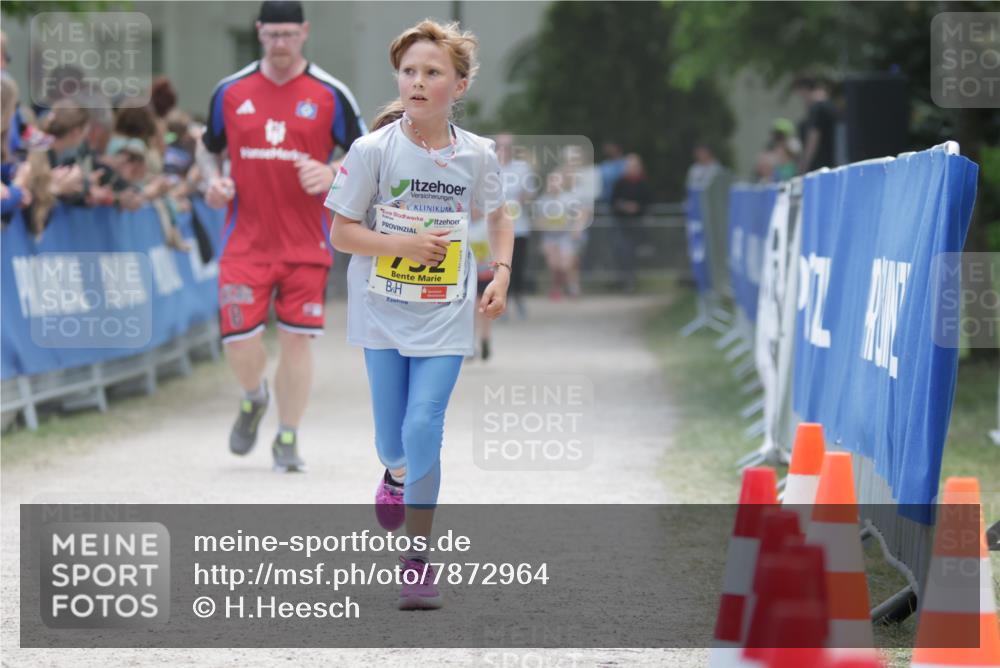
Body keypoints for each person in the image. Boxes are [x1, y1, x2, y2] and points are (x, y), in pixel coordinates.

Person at [325, 19, 512, 610]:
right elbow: (341, 233)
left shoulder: (476, 154)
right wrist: (401, 246)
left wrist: (501, 272)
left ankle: (417, 563)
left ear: (458, 86)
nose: (418, 81)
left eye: (433, 73)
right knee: (394, 443)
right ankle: (396, 475)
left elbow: (499, 216)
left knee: (424, 425)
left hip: (444, 315)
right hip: (381, 312)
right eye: (409, 71)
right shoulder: (373, 150)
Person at [197, 0, 366, 471]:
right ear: (258, 33)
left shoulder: (330, 93)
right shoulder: (230, 91)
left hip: (305, 242)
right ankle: (254, 397)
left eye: (289, 35)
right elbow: (206, 148)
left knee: (296, 341)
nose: (281, 44)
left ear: (305, 33)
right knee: (238, 340)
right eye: (272, 35)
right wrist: (211, 181)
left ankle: (287, 437)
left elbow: (368, 153)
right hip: (244, 241)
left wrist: (332, 169)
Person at [494, 132, 535, 318]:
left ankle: (518, 296)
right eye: (501, 146)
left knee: (517, 264)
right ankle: (502, 300)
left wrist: (522, 198)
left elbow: (530, 193)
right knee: (499, 264)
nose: (504, 150)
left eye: (507, 146)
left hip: (519, 225)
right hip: (496, 226)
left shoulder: (522, 168)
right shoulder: (490, 168)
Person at [611, 153, 650, 293]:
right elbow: (613, 202)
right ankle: (625, 280)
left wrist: (637, 208)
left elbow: (648, 203)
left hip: (638, 224)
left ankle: (633, 278)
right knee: (623, 251)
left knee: (635, 252)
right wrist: (624, 207)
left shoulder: (643, 183)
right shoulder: (620, 183)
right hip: (622, 224)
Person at [793, 75, 837, 173]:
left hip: (818, 167)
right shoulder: (828, 105)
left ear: (804, 89)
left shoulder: (817, 108)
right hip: (830, 164)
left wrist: (803, 166)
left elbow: (813, 138)